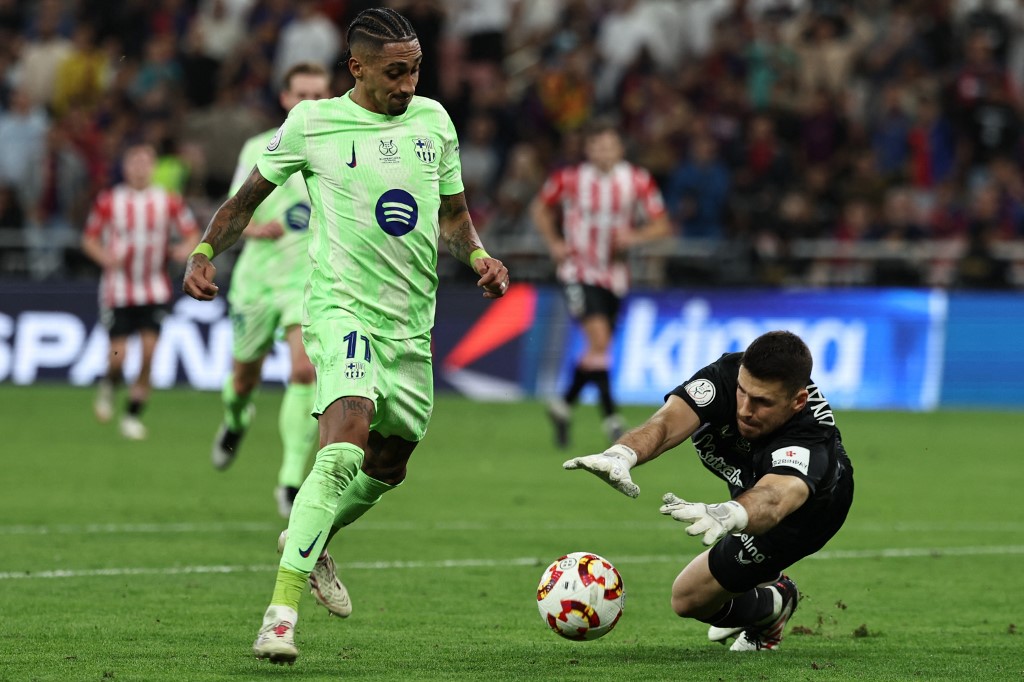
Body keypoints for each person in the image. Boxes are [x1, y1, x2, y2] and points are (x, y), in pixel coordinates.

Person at [181, 7, 510, 665]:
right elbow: (245, 199)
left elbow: (452, 215)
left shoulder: (434, 122)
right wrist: (203, 250)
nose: (409, 82)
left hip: (412, 323)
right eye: (395, 71)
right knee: (340, 452)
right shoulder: (312, 123)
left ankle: (313, 532)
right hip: (341, 311)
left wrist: (477, 256)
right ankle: (279, 616)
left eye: (415, 68)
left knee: (391, 465)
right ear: (356, 67)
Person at [563, 330, 854, 651]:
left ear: (797, 400)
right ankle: (767, 586)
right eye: (743, 392)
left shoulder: (810, 437)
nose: (745, 408)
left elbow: (776, 498)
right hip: (748, 480)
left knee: (687, 599)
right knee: (743, 576)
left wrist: (732, 513)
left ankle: (775, 605)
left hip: (806, 513)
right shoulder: (725, 378)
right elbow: (666, 422)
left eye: (762, 402)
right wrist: (621, 454)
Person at [211, 62, 331, 521]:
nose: (312, 103)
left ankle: (289, 479)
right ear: (286, 99)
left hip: (307, 282)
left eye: (320, 95)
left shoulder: (340, 151)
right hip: (257, 282)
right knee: (243, 380)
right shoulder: (259, 149)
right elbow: (237, 211)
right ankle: (235, 421)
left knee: (304, 372)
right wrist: (262, 228)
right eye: (303, 94)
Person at [530, 119, 670, 448]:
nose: (602, 151)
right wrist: (554, 243)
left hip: (615, 276)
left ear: (619, 148)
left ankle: (563, 406)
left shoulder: (637, 180)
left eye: (608, 145)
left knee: (598, 349)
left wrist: (635, 237)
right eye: (596, 145)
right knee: (599, 340)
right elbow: (540, 208)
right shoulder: (570, 178)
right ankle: (612, 418)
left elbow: (661, 224)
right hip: (578, 271)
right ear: (588, 149)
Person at [82, 143, 200, 440]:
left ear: (152, 167)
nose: (139, 168)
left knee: (149, 354)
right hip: (118, 289)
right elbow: (89, 239)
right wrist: (105, 257)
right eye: (133, 162)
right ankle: (109, 384)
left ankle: (132, 415)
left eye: (145, 162)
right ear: (125, 167)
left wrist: (183, 250)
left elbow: (191, 233)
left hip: (154, 288)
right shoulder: (109, 201)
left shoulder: (168, 201)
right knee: (119, 356)